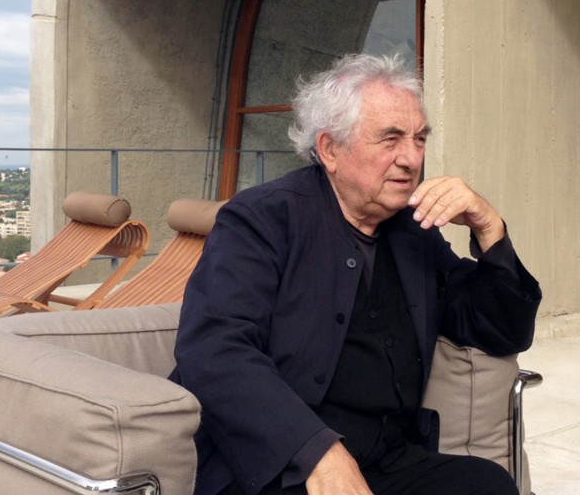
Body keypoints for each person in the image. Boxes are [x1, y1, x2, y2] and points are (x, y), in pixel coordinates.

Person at [170, 53, 541, 495]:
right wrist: (315, 451)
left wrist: (488, 227)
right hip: (277, 466)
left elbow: (500, 330)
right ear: (330, 149)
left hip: (387, 459)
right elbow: (215, 349)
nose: (412, 158)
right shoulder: (261, 219)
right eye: (391, 138)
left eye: (420, 139)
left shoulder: (414, 230)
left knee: (487, 485)